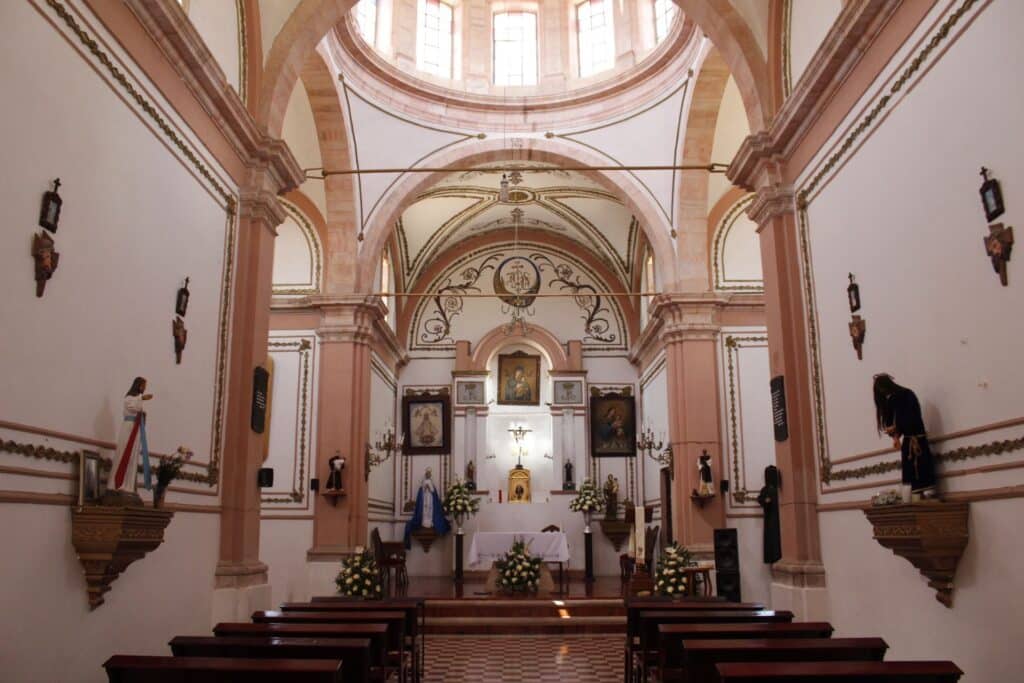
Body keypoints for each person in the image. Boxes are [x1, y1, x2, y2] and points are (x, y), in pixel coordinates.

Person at [873, 374, 938, 500]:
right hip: (915, 439)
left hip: (914, 440)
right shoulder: (905, 395)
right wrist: (896, 436)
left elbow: (904, 420)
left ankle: (922, 493)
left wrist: (896, 433)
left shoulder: (901, 397)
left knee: (918, 468)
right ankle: (922, 493)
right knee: (918, 468)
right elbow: (897, 421)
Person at [111, 377, 153, 493]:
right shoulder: (129, 397)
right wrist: (141, 398)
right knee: (124, 452)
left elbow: (138, 409)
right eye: (144, 385)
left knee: (133, 456)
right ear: (138, 385)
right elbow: (132, 407)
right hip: (128, 427)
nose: (145, 388)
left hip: (136, 429)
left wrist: (143, 414)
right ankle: (118, 485)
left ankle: (129, 485)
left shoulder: (137, 398)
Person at [404, 467, 450, 548]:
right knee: (424, 510)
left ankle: (430, 521)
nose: (428, 474)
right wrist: (425, 487)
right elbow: (422, 490)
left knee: (430, 510)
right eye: (427, 473)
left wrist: (430, 487)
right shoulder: (424, 481)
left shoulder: (431, 482)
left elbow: (433, 491)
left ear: (430, 475)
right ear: (426, 474)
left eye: (429, 473)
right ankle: (424, 521)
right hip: (424, 499)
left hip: (430, 499)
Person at [756, 465, 781, 564]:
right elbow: (761, 499)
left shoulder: (777, 489)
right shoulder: (767, 489)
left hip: (776, 518)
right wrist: (766, 501)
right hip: (771, 518)